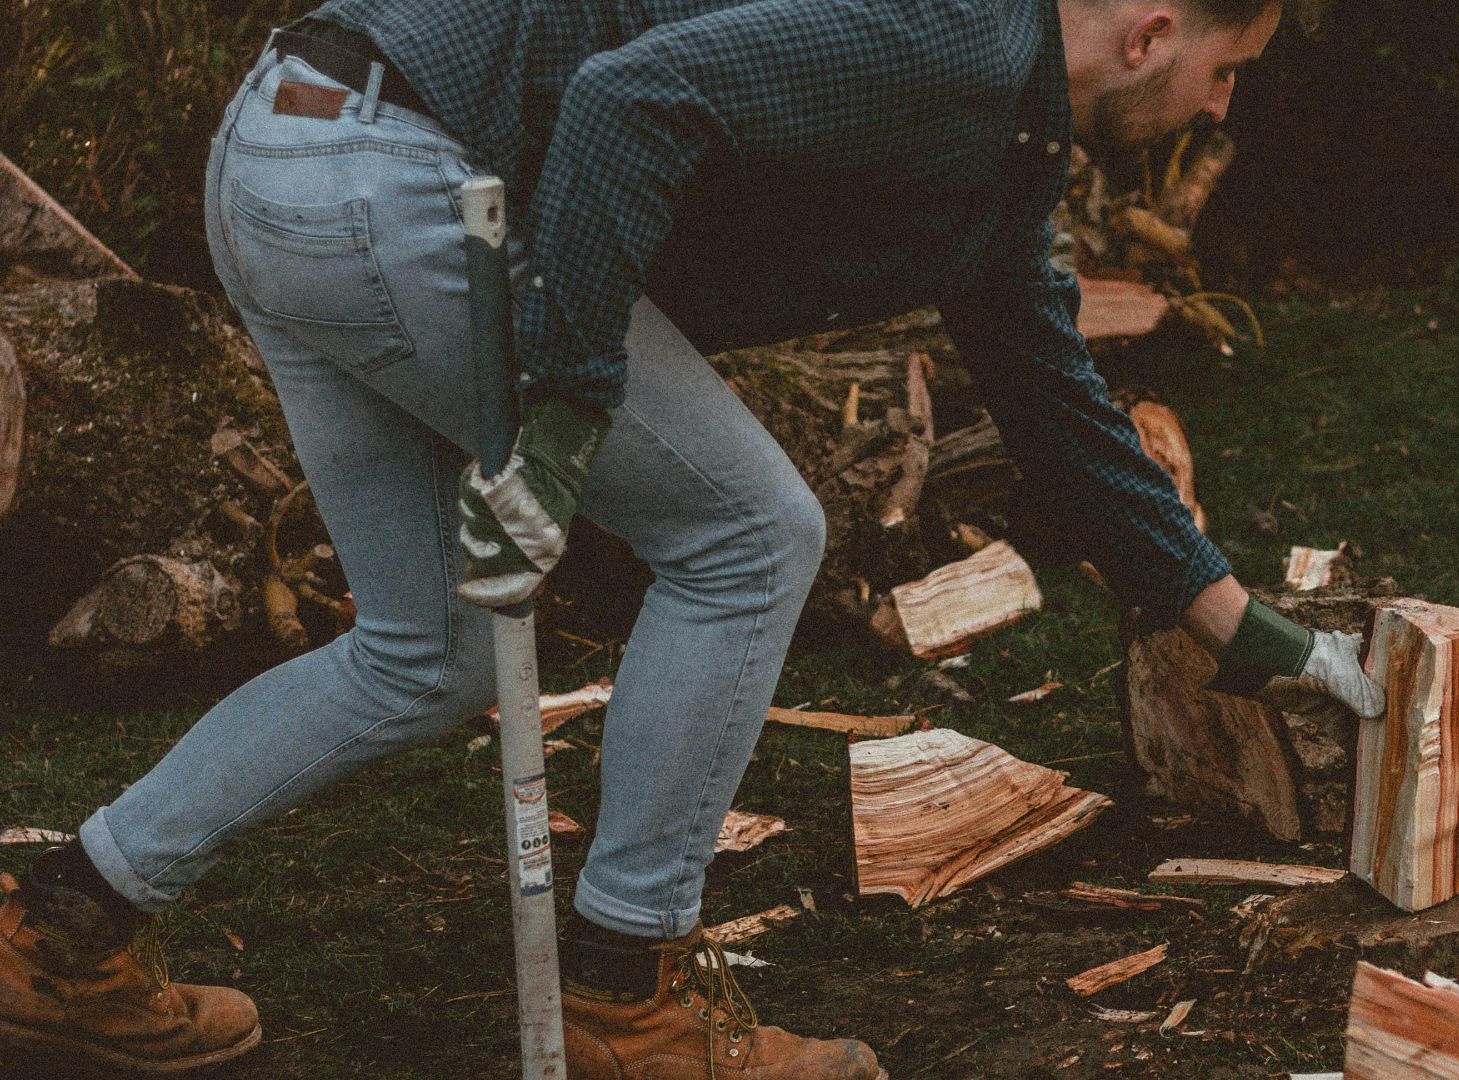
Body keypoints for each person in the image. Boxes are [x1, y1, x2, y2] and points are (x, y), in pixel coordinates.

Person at [0, 1, 1382, 1076]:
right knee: (753, 535)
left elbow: (1056, 401)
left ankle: (65, 926)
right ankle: (625, 1002)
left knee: (429, 655)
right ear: (1148, 38)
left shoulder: (996, 151)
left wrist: (1242, 631)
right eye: (1227, 68)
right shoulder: (947, 40)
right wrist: (569, 402)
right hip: (394, 166)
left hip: (289, 148)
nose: (1221, 100)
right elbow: (626, 98)